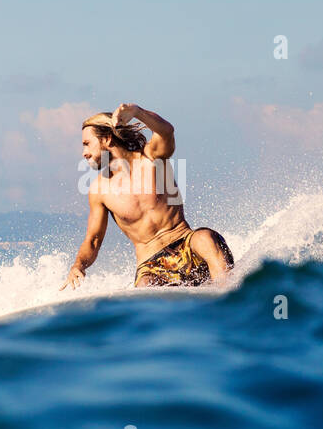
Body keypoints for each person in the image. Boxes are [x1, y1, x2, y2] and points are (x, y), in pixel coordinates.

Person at [62, 103, 234, 289]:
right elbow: (93, 240)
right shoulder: (99, 190)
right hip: (151, 265)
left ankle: (227, 301)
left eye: (87, 144)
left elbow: (167, 132)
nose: (84, 153)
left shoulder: (151, 159)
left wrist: (138, 112)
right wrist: (78, 265)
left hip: (186, 243)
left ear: (107, 139)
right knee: (145, 284)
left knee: (205, 238)